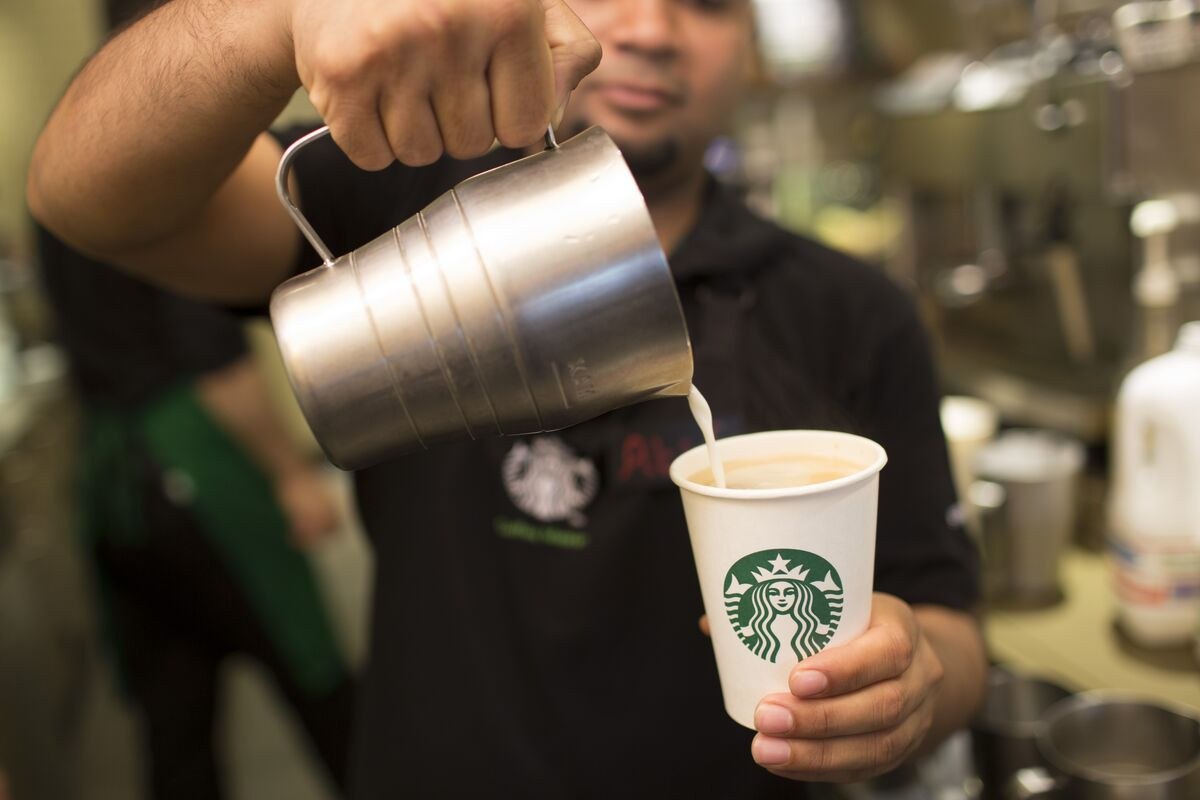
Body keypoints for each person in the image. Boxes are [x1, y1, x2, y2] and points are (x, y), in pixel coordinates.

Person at [27, 0, 987, 796]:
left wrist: (912, 684)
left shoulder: (852, 309)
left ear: (753, 46)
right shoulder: (392, 193)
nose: (653, 26)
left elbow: (950, 627)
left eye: (707, 2)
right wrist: (277, 17)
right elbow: (80, 196)